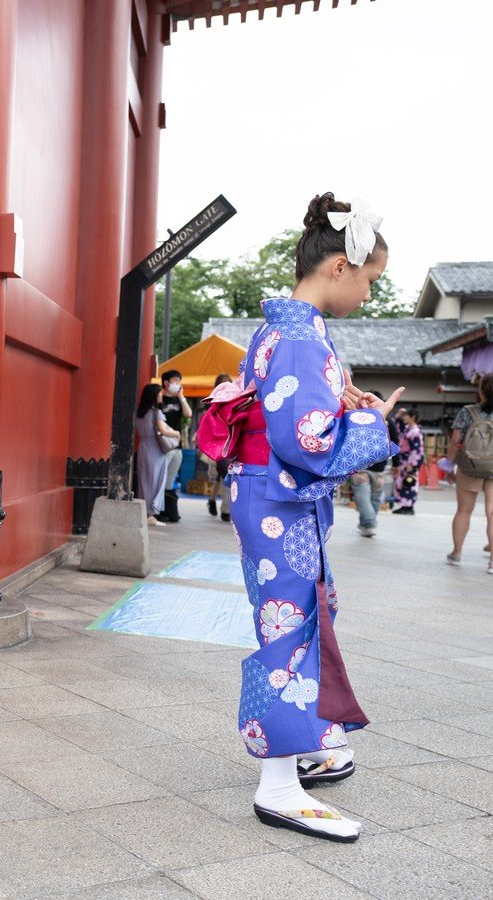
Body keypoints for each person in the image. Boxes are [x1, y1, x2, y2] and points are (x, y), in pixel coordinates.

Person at [226, 193, 403, 843]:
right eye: (369, 280)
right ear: (337, 268)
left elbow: (296, 417)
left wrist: (342, 399)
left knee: (300, 622)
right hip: (279, 501)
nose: (368, 294)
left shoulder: (293, 329)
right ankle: (277, 787)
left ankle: (305, 749)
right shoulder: (300, 336)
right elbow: (306, 439)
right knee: (288, 633)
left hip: (274, 499)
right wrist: (368, 422)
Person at [444, 373, 493, 573]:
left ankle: (456, 553)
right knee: (492, 512)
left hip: (470, 466)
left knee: (464, 510)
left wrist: (449, 464)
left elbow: (456, 441)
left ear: (480, 391)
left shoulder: (467, 412)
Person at [137, 383, 178, 526]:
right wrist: (176, 433)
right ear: (154, 396)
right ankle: (150, 514)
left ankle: (145, 512)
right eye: (160, 393)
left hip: (143, 447)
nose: (162, 395)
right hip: (155, 449)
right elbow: (164, 430)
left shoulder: (139, 413)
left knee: (144, 481)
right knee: (156, 481)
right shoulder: (156, 413)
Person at [157, 370, 192, 522]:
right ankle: (159, 510)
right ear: (166, 382)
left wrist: (181, 397)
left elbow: (188, 414)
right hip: (163, 445)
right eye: (174, 381)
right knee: (161, 479)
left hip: (177, 446)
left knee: (171, 480)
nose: (177, 384)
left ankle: (170, 511)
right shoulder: (159, 398)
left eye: (179, 381)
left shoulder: (178, 400)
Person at [351, 401, 386, 537]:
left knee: (363, 497)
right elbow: (394, 440)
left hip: (361, 467)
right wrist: (396, 464)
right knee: (375, 498)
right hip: (380, 468)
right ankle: (367, 523)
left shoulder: (356, 418)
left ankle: (368, 523)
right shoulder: (388, 420)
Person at [207, 372, 232, 521]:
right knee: (225, 475)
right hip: (219, 444)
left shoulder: (234, 399)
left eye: (228, 383)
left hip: (229, 443)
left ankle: (213, 500)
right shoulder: (214, 402)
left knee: (221, 476)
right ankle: (225, 509)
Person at [391, 407, 423, 514]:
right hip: (403, 460)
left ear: (412, 417)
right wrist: (397, 416)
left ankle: (408, 506)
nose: (404, 417)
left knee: (409, 482)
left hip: (409, 460)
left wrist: (412, 464)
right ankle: (403, 505)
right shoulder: (407, 429)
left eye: (406, 416)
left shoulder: (415, 431)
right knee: (401, 482)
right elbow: (394, 429)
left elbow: (417, 449)